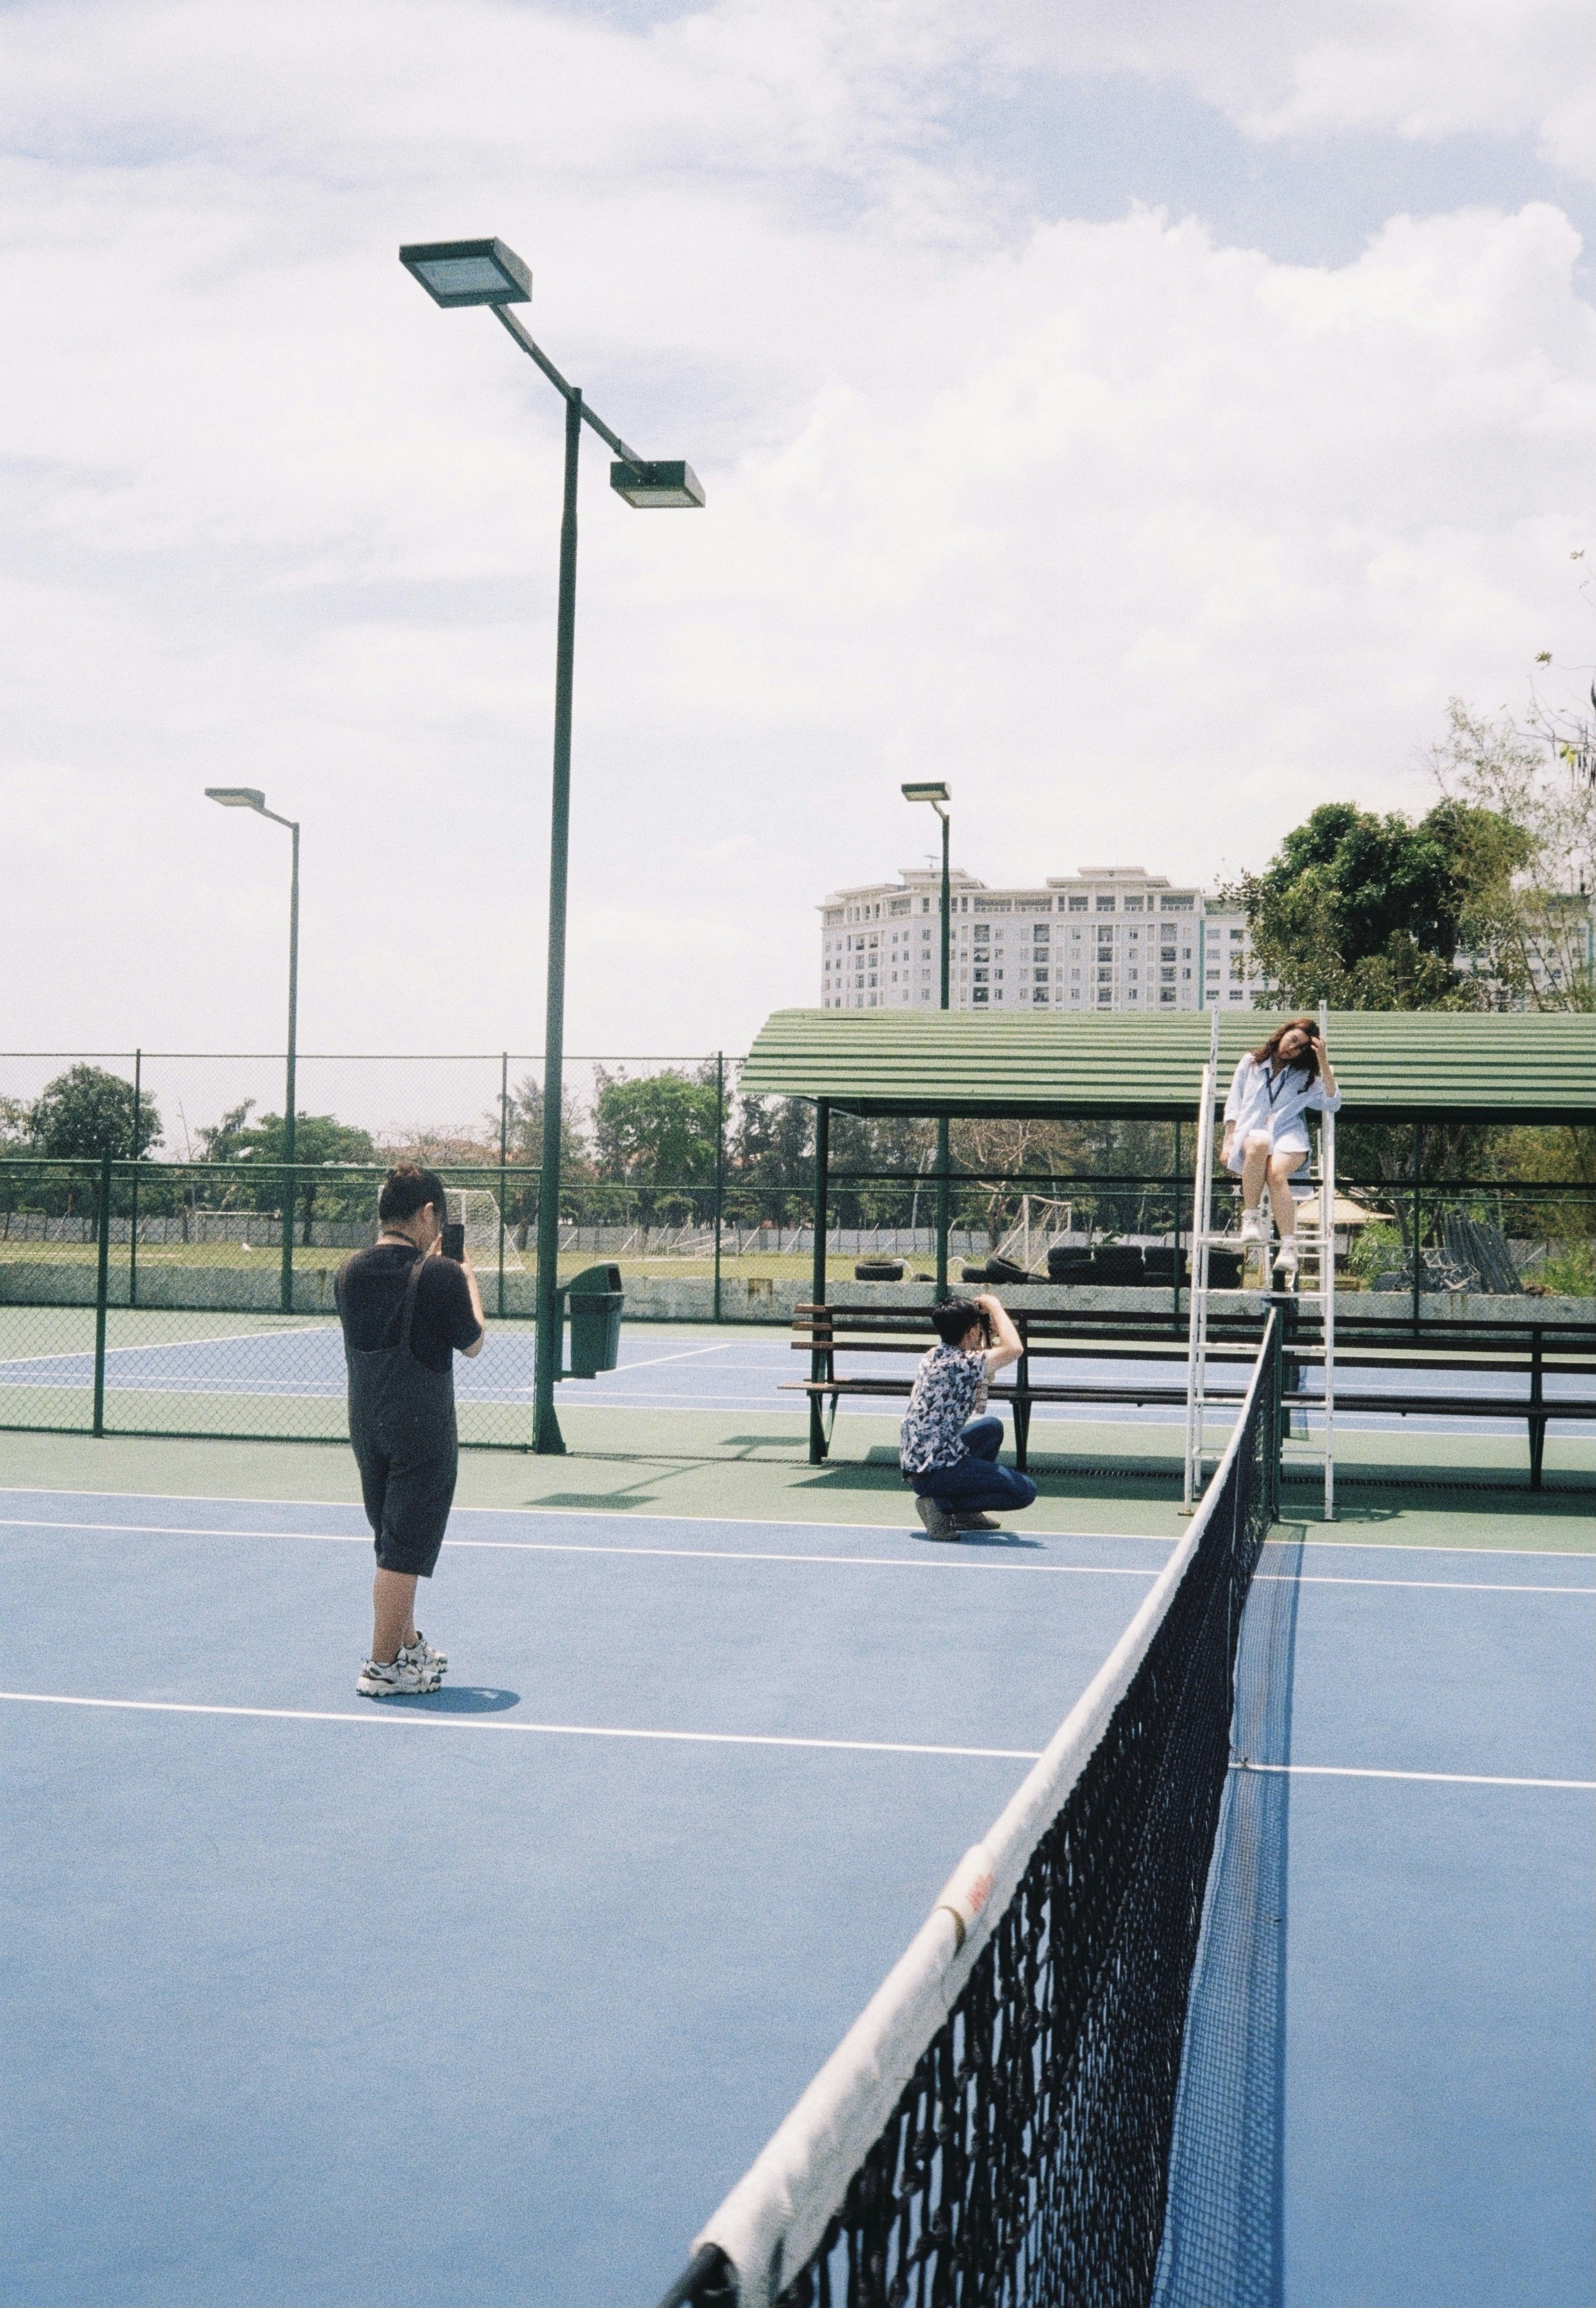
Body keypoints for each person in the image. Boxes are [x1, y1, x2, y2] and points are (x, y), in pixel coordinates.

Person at [334, 1163, 485, 1696]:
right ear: (426, 1214)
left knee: (393, 1544)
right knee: (403, 1552)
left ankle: (408, 1645)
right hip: (421, 1428)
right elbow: (473, 1341)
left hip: (367, 1424)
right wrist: (465, 1274)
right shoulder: (439, 1274)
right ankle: (381, 1665)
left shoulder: (349, 1271)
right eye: (436, 1218)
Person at [899, 1292, 1038, 1541]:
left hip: (923, 1459)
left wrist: (982, 1341)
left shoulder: (935, 1355)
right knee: (1024, 1491)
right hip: (932, 1470)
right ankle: (941, 1505)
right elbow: (1015, 1349)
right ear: (972, 1331)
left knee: (991, 1428)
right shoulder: (963, 1364)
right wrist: (995, 1306)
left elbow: (980, 1404)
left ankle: (966, 1513)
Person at [1221, 1017, 1342, 1279]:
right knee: (1259, 1143)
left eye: (1301, 1048)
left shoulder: (1303, 1077)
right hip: (1253, 1134)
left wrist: (1322, 1060)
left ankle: (1289, 1247)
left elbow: (1333, 1102)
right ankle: (1251, 1218)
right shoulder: (1250, 1063)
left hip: (1289, 1137)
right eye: (1293, 1040)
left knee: (1276, 1174)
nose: (1292, 1049)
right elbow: (1234, 1104)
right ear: (1284, 1033)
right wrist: (1229, 1141)